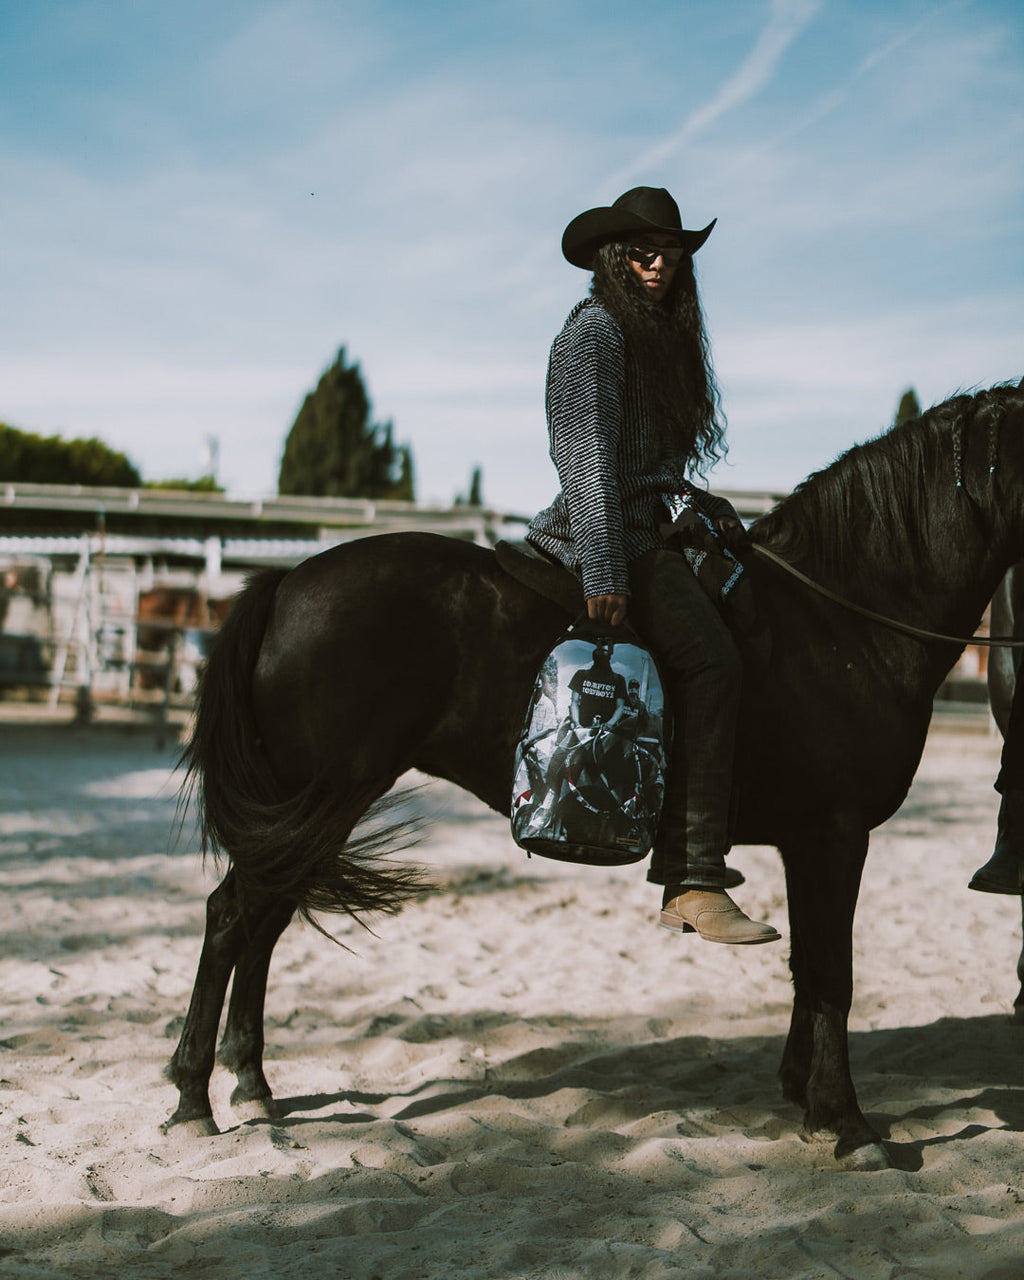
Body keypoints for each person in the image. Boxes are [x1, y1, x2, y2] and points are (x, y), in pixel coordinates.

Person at [527, 185, 779, 945]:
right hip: (606, 536)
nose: (656, 260)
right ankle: (694, 875)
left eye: (669, 250)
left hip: (651, 527)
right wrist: (604, 572)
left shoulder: (658, 339)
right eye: (641, 248)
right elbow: (586, 460)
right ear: (612, 255)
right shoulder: (595, 332)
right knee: (710, 664)